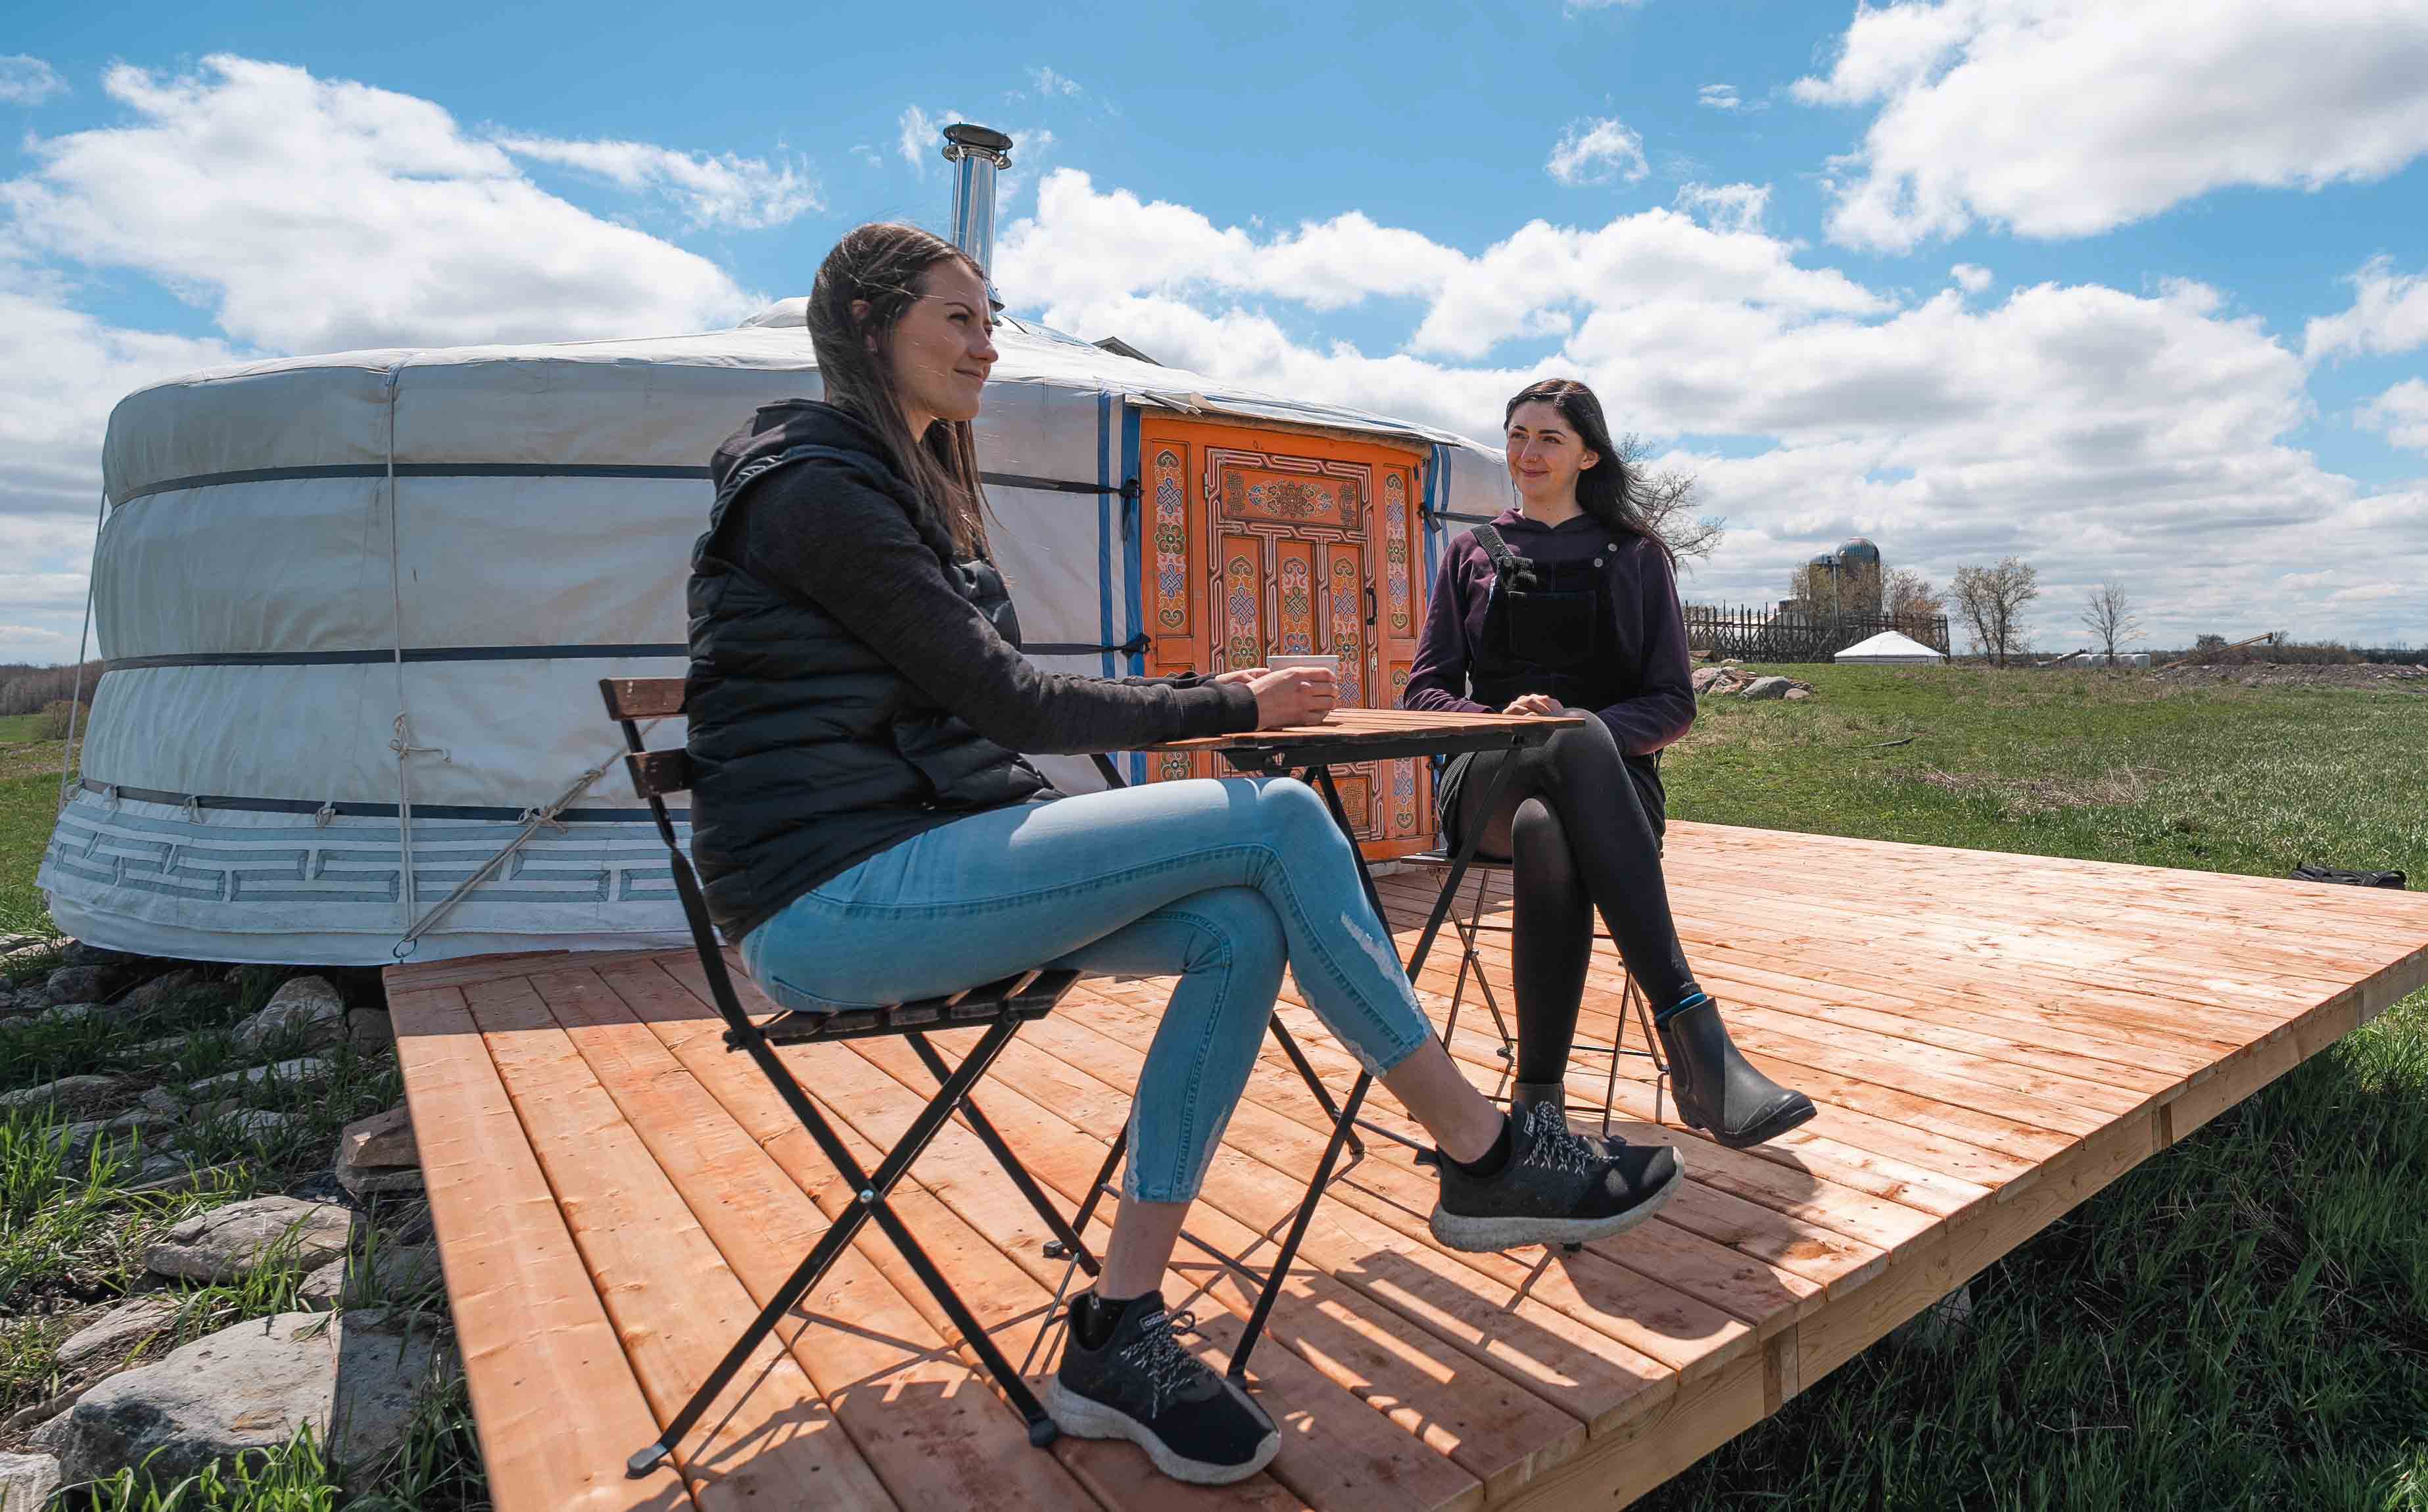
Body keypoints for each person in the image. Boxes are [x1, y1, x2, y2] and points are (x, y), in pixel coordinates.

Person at [682, 225, 1685, 1488]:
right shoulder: (815, 488)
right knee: (1271, 819)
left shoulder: (897, 483)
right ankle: (1481, 1153)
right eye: (960, 320)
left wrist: (1211, 695)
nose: (989, 343)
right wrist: (1230, 702)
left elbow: (996, 696)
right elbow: (1011, 704)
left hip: (929, 855)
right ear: (872, 325)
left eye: (993, 319)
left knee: (1238, 925)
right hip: (834, 903)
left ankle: (1116, 1324)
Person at [1403, 377, 1815, 1148]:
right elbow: (1423, 692)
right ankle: (1697, 1043)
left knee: (1553, 818)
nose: (1527, 452)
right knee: (1550, 764)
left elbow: (1671, 702)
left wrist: (1582, 725)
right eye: (1517, 433)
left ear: (1589, 454)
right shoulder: (1470, 553)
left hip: (1613, 789)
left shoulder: (1636, 556)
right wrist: (1497, 721)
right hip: (1487, 777)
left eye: (1549, 437)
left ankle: (1540, 1111)